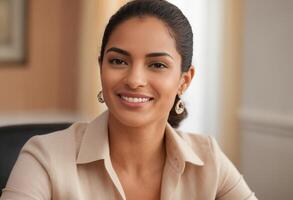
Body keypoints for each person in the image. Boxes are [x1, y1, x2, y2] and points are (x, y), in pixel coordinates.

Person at [1, 0, 257, 199]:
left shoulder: (208, 159)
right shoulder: (44, 158)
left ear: (184, 80)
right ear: (101, 67)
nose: (134, 79)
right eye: (118, 61)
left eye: (157, 64)